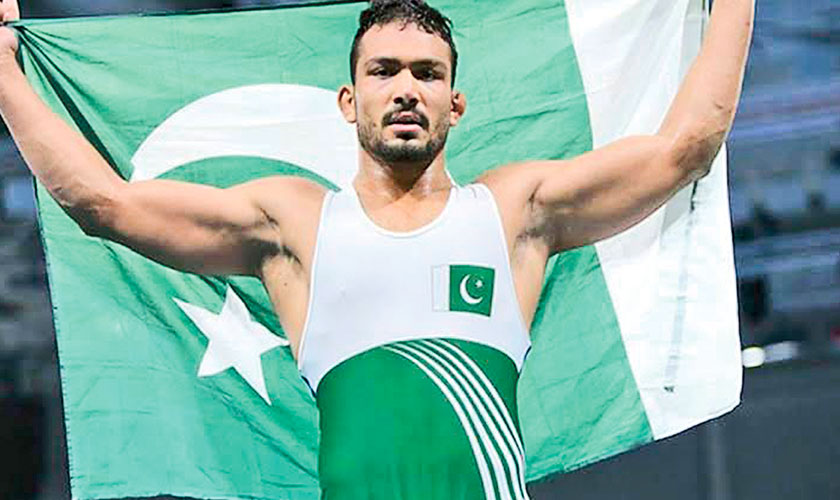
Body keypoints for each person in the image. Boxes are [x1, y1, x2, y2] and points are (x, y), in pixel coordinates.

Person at [0, 0, 755, 498]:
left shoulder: (512, 213)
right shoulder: (294, 227)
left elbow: (685, 147)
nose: (405, 89)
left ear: (455, 104)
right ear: (348, 99)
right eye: (383, 71)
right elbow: (102, 204)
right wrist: (3, 73)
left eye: (428, 74)